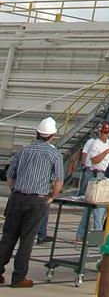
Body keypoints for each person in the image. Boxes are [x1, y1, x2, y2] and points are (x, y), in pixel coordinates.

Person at [0, 116, 64, 288]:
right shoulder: (54, 154)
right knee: (26, 240)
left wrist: (16, 191)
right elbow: (58, 181)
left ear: (37, 133)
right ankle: (19, 278)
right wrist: (51, 197)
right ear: (52, 136)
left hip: (17, 197)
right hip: (37, 200)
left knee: (8, 237)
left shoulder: (23, 151)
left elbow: (9, 176)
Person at [76, 120, 109, 242]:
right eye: (103, 132)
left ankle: (89, 234)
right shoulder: (95, 144)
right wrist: (107, 151)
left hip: (106, 175)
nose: (105, 134)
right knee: (95, 208)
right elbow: (94, 160)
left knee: (98, 208)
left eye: (106, 132)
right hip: (96, 175)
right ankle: (92, 235)